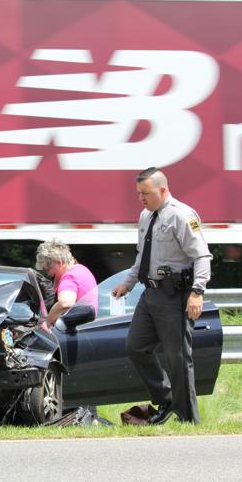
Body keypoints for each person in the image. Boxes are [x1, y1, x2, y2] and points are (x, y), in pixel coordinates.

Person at [112, 167, 211, 425]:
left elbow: (201, 256)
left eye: (146, 193)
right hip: (150, 293)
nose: (141, 199)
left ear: (163, 189)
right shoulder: (146, 216)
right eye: (138, 194)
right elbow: (141, 257)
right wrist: (128, 283)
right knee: (135, 347)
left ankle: (187, 418)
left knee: (177, 357)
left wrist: (197, 292)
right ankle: (167, 398)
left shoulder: (181, 215)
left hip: (175, 294)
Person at [35, 239, 98, 332]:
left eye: (48, 269)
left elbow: (65, 303)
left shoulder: (70, 277)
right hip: (86, 329)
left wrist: (47, 323)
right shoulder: (81, 269)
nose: (49, 273)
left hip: (75, 332)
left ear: (59, 262)